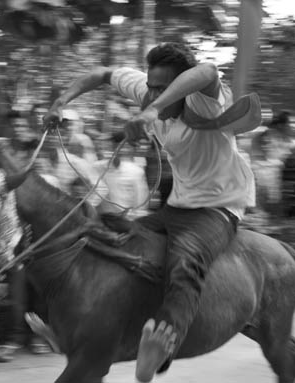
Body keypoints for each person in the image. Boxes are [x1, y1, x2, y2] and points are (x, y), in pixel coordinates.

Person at [44, 42, 257, 383]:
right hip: (177, 205)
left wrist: (151, 110)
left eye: (162, 88)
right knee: (107, 238)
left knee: (185, 262)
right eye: (151, 85)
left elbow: (209, 72)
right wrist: (60, 101)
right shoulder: (146, 87)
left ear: (180, 86)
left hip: (219, 208)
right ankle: (81, 326)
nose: (151, 92)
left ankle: (162, 344)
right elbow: (101, 73)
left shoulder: (205, 100)